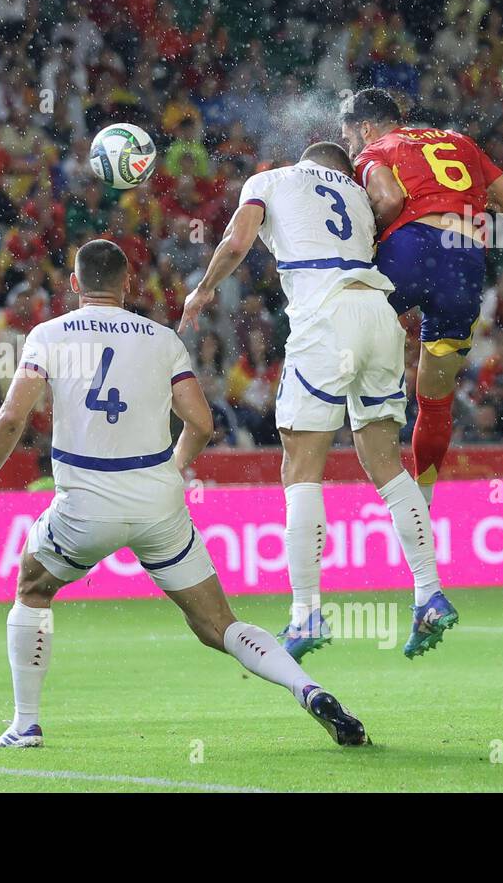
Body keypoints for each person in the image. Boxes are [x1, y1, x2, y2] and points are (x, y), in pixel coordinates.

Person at [0, 239, 369, 749]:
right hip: (159, 503)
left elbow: (11, 417)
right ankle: (305, 686)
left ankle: (25, 725)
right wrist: (174, 465)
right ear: (129, 284)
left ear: (73, 284)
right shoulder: (161, 339)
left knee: (32, 588)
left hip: (86, 503)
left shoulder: (49, 335)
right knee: (218, 623)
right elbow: (202, 422)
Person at [182, 143, 455, 660]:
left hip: (323, 315)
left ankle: (305, 614)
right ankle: (429, 593)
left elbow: (238, 240)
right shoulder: (359, 193)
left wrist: (203, 290)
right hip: (379, 313)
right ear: (340, 168)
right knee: (385, 465)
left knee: (301, 468)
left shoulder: (271, 179)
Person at [340, 88, 503, 505]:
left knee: (339, 324)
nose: (350, 146)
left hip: (411, 247)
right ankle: (423, 497)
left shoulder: (376, 149)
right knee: (435, 397)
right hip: (464, 264)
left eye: (350, 137)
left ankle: (351, 431)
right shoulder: (460, 142)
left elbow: (389, 200)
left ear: (366, 127)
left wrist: (374, 238)